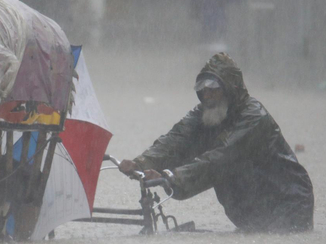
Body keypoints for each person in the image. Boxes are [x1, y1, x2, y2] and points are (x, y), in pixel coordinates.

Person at [119, 53, 314, 233]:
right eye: (203, 89)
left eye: (213, 89)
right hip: (250, 212)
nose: (207, 95)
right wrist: (142, 163)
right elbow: (176, 139)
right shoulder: (204, 113)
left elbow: (221, 159)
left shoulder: (255, 119)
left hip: (288, 207)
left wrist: (171, 178)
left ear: (230, 89)